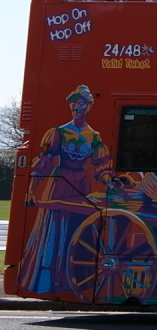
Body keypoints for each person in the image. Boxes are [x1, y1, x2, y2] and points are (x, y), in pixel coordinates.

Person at [19, 86, 114, 294]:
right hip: (60, 183)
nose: (76, 107)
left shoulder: (94, 136)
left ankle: (73, 281)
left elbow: (101, 167)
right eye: (73, 102)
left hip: (81, 186)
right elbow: (42, 163)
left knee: (78, 230)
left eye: (81, 103)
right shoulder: (59, 132)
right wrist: (31, 191)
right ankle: (49, 280)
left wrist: (110, 181)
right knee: (55, 229)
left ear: (89, 106)